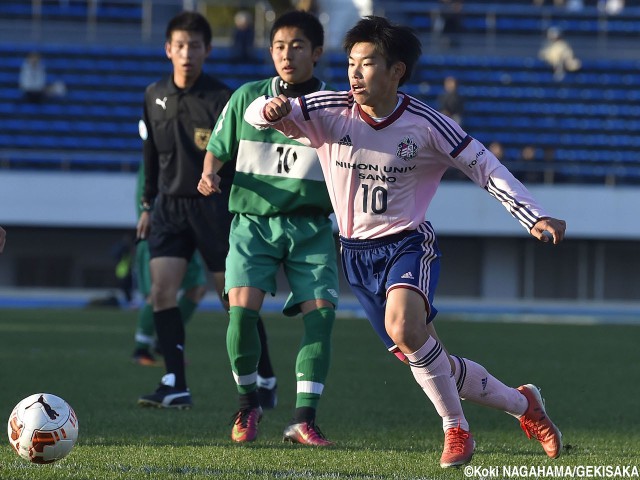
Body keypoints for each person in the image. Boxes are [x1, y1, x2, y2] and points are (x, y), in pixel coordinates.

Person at [243, 15, 566, 468]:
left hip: (408, 244)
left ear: (397, 71)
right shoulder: (330, 110)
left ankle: (456, 430)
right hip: (356, 256)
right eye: (351, 63)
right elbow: (255, 113)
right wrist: (270, 111)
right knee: (431, 359)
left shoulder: (427, 123)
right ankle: (523, 404)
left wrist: (532, 214)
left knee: (405, 328)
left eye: (368, 63)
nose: (355, 73)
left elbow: (485, 167)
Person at [198, 10, 339, 446]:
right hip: (253, 224)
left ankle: (303, 419)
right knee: (240, 315)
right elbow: (217, 148)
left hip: (311, 228)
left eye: (297, 46)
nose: (286, 54)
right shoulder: (246, 97)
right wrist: (209, 173)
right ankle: (246, 405)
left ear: (316, 53)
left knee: (322, 320)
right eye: (279, 46)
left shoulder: (334, 106)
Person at [136, 11, 277, 410]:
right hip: (168, 208)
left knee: (234, 300)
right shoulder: (152, 95)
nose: (186, 53)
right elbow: (149, 153)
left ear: (207, 50)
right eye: (179, 46)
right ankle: (175, 382)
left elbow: (242, 156)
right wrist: (148, 204)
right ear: (168, 49)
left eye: (194, 46)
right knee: (163, 290)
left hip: (214, 208)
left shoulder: (223, 98)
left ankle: (264, 374)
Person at [131, 160, 207, 367]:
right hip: (163, 229)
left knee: (197, 287)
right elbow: (149, 190)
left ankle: (162, 341)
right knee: (160, 291)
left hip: (181, 228)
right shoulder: (160, 153)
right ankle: (142, 348)